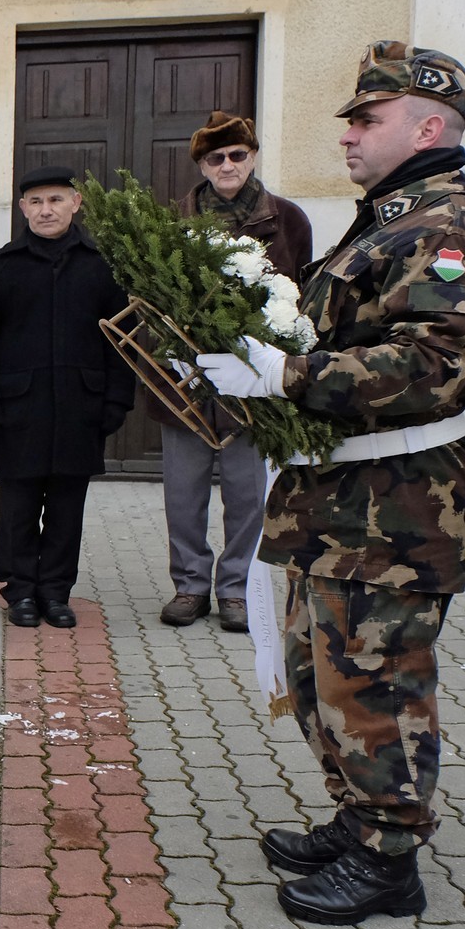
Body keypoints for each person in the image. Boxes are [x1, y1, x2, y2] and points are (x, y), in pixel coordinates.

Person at [196, 42, 465, 924]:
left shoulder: (452, 232)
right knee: (324, 677)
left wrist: (286, 376)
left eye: (367, 119)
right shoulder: (386, 223)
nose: (347, 134)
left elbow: (433, 365)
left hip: (401, 503)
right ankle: (359, 817)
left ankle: (389, 858)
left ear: (428, 128)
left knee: (375, 683)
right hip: (345, 496)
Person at [155, 112, 314, 633]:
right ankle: (189, 585)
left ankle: (236, 589)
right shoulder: (174, 221)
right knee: (184, 493)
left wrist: (277, 361)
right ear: (202, 165)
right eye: (215, 158)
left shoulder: (288, 219)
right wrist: (173, 348)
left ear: (253, 156)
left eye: (237, 155)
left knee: (247, 494)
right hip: (188, 381)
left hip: (254, 384)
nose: (227, 165)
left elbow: (301, 299)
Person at [0, 165, 135, 629]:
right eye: (36, 202)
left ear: (75, 203)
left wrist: (117, 400)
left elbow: (124, 340)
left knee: (66, 509)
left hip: (82, 406)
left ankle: (56, 593)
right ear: (23, 208)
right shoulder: (0, 267)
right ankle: (20, 591)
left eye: (56, 199)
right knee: (18, 507)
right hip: (18, 407)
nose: (46, 210)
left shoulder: (103, 266)